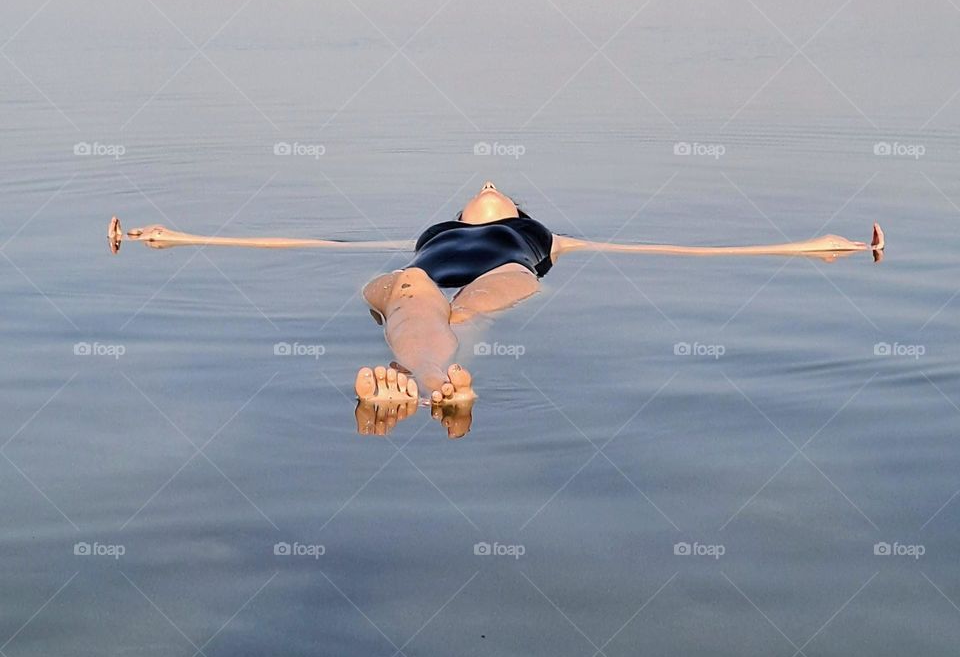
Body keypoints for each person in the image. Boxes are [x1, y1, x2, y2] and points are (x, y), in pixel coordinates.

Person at [109, 181, 884, 436]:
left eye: (499, 185)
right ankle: (430, 380)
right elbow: (301, 238)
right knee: (418, 302)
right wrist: (172, 234)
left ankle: (427, 377)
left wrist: (825, 244)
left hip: (501, 274)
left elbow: (685, 254)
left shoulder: (547, 237)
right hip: (411, 277)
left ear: (511, 204)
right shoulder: (432, 236)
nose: (486, 179)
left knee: (465, 311)